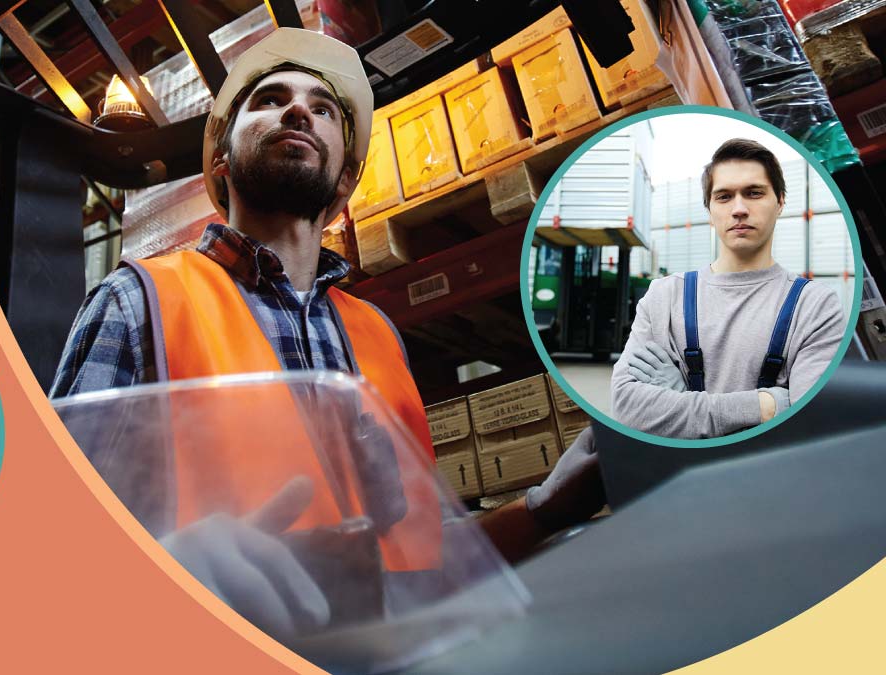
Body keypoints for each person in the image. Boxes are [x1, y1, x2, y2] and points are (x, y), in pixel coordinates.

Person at [52, 29, 603, 634]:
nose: (296, 110)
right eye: (268, 101)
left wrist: (542, 507)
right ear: (221, 161)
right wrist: (159, 574)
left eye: (322, 109)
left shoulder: (377, 335)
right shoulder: (137, 304)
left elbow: (422, 563)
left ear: (344, 180)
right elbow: (48, 548)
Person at [611, 139, 846, 439]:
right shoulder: (664, 297)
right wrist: (768, 403)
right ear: (709, 210)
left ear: (781, 202)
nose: (738, 209)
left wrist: (683, 396)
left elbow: (808, 428)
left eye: (754, 193)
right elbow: (627, 410)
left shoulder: (813, 306)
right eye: (723, 197)